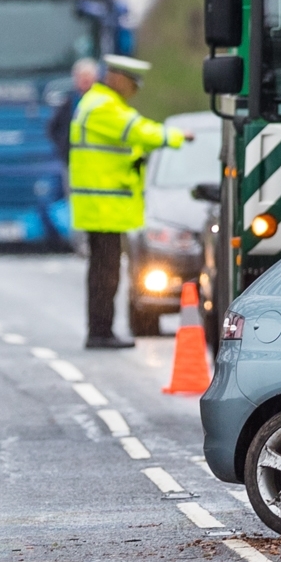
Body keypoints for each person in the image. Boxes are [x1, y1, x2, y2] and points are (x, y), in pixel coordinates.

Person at [69, 54, 192, 349]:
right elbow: (140, 130)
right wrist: (177, 136)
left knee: (104, 270)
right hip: (104, 207)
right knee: (105, 272)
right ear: (118, 79)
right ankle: (100, 332)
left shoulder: (99, 103)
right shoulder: (103, 107)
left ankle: (100, 329)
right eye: (134, 82)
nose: (136, 89)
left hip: (101, 206)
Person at [48, 58, 100, 163]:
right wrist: (64, 148)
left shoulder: (103, 101)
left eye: (88, 76)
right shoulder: (69, 103)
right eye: (81, 76)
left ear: (96, 78)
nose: (85, 80)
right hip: (73, 162)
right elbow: (53, 128)